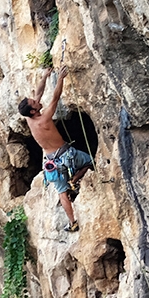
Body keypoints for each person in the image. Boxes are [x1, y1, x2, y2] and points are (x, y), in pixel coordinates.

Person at [18, 65, 93, 233]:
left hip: (52, 163)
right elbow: (55, 98)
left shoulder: (31, 119)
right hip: (67, 155)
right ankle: (74, 179)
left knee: (62, 193)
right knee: (90, 161)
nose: (37, 101)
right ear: (33, 110)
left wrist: (45, 77)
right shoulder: (44, 118)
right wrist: (60, 78)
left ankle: (73, 222)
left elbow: (39, 93)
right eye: (34, 103)